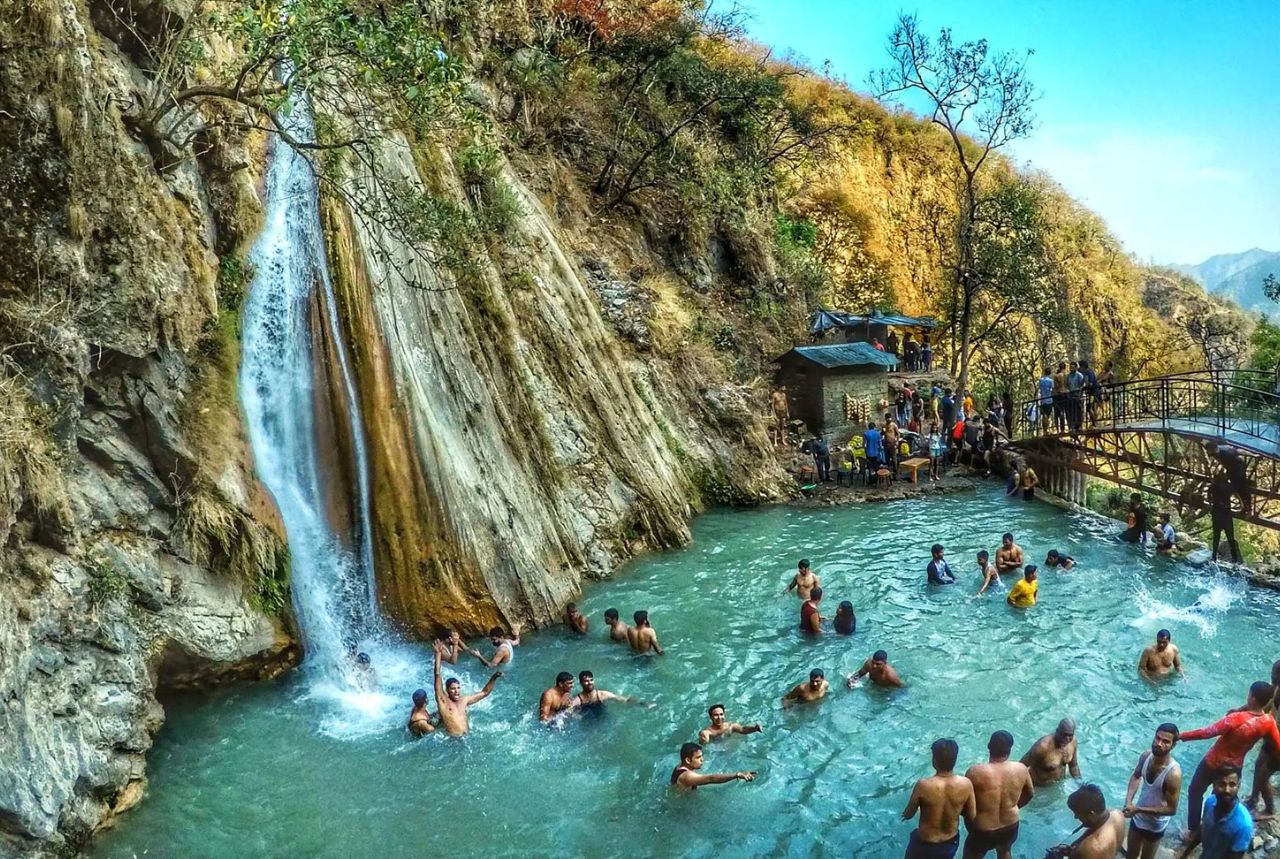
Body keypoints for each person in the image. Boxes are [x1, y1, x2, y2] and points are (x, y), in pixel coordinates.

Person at [1180, 681, 1280, 832]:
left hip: (1213, 762)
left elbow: (1207, 732)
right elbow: (1278, 746)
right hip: (1234, 768)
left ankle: (1194, 829)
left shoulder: (1236, 719)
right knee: (1221, 798)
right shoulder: (1268, 723)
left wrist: (1181, 735)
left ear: (1252, 697)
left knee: (1195, 791)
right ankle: (1212, 826)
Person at [963, 730, 1034, 859]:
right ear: (1010, 749)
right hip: (1010, 825)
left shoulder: (975, 772)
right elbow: (1030, 793)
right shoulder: (1021, 769)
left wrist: (970, 822)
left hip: (983, 829)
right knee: (1004, 851)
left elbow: (965, 804)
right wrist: (1014, 806)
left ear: (989, 746)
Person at [902, 738, 976, 859]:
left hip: (924, 842)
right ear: (955, 760)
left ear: (934, 760)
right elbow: (972, 816)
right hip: (949, 843)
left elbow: (909, 814)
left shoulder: (923, 785)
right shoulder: (966, 784)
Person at [1122, 723, 1182, 859]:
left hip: (1155, 825)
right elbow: (1136, 776)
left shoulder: (1173, 774)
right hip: (1137, 817)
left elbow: (1171, 809)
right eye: (1157, 738)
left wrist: (1138, 809)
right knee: (1130, 855)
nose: (1159, 744)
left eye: (1165, 741)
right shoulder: (1145, 757)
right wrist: (1128, 801)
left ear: (1173, 745)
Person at [1177, 765, 1253, 859]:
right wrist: (1185, 854)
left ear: (1239, 785)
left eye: (1232, 784)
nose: (1227, 790)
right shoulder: (1210, 801)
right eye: (1222, 784)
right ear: (1214, 784)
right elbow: (1203, 829)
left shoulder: (1244, 825)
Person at [433, 647, 502, 736]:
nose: (456, 691)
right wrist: (438, 654)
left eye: (458, 688)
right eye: (453, 689)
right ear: (447, 690)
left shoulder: (464, 700)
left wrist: (494, 677)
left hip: (467, 737)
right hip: (453, 740)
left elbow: (485, 692)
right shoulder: (443, 701)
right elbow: (437, 675)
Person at [1043, 784, 1124, 859]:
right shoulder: (1117, 815)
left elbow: (1093, 851)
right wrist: (1072, 851)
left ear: (1092, 814)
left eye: (1077, 813)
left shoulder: (1091, 847)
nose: (1075, 817)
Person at [1247, 660, 1280, 819]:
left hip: (1278, 743)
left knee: (1263, 775)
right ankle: (1253, 799)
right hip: (1272, 737)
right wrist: (1240, 711)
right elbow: (1264, 705)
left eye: (1275, 673)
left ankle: (1270, 810)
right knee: (1258, 763)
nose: (1271, 675)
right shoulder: (1276, 689)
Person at [669, 742, 755, 790]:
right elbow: (711, 778)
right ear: (688, 760)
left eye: (702, 756)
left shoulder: (680, 766)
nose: (702, 759)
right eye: (698, 757)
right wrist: (737, 774)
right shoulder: (686, 776)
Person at [1021, 718, 1081, 786]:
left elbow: (1074, 766)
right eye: (1063, 734)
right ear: (1057, 731)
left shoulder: (1073, 742)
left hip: (1058, 784)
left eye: (1070, 735)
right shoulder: (1042, 747)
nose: (1067, 739)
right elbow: (1021, 767)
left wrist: (1079, 784)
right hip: (1038, 787)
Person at [1210, 476, 1241, 563]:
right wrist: (1241, 503)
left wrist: (1210, 505)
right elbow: (1235, 492)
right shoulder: (1227, 486)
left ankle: (1214, 557)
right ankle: (1235, 559)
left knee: (1216, 537)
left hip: (1216, 513)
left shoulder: (1213, 486)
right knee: (1230, 538)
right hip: (1226, 514)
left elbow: (1209, 496)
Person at [698, 704, 763, 744]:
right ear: (711, 717)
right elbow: (704, 736)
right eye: (716, 715)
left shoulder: (730, 726)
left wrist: (755, 728)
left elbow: (743, 729)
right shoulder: (708, 732)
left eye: (721, 714)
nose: (719, 717)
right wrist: (703, 741)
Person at [1052, 361, 1070, 433]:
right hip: (1067, 393)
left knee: (1059, 412)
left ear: (1059, 367)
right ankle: (1069, 427)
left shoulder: (1057, 376)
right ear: (1065, 367)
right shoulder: (1068, 375)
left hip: (1060, 394)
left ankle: (1059, 429)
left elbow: (1055, 386)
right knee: (1067, 411)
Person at [1038, 367, 1055, 433]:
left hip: (1042, 400)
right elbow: (1052, 389)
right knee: (1047, 415)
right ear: (1050, 373)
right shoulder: (1051, 381)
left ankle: (1044, 430)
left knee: (1043, 415)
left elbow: (1040, 388)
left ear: (1044, 372)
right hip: (1049, 400)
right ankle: (1046, 429)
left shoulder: (1041, 380)